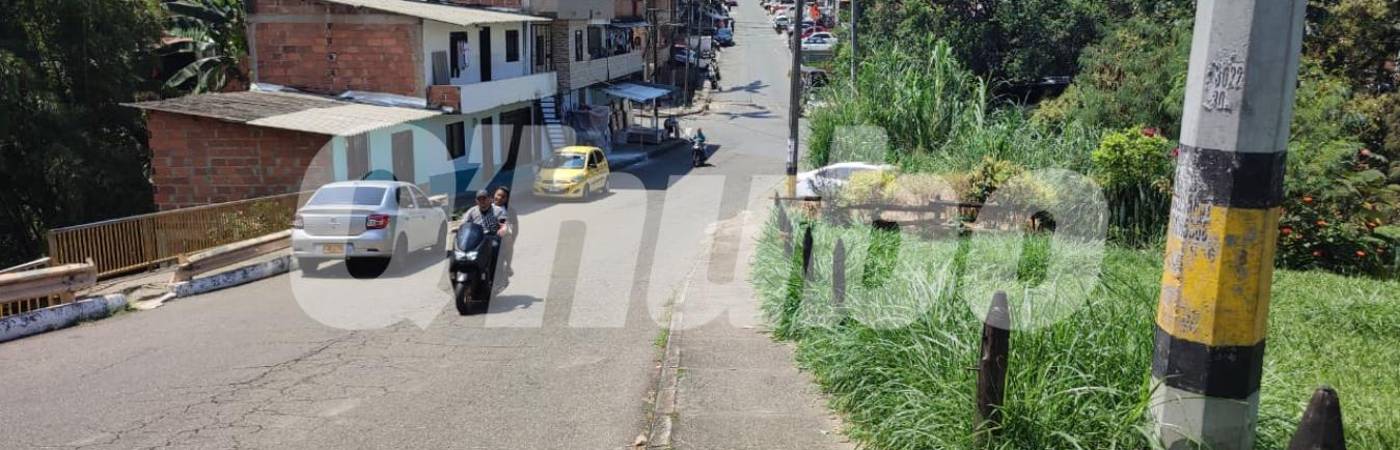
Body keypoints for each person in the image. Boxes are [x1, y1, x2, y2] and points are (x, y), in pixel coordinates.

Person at [492, 186, 516, 275]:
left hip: (500, 236)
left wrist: (512, 239)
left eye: (503, 197)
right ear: (494, 194)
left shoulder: (509, 211)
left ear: (507, 199)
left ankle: (508, 266)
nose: (499, 198)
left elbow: (514, 228)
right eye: (498, 195)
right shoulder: (486, 204)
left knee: (508, 241)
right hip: (483, 234)